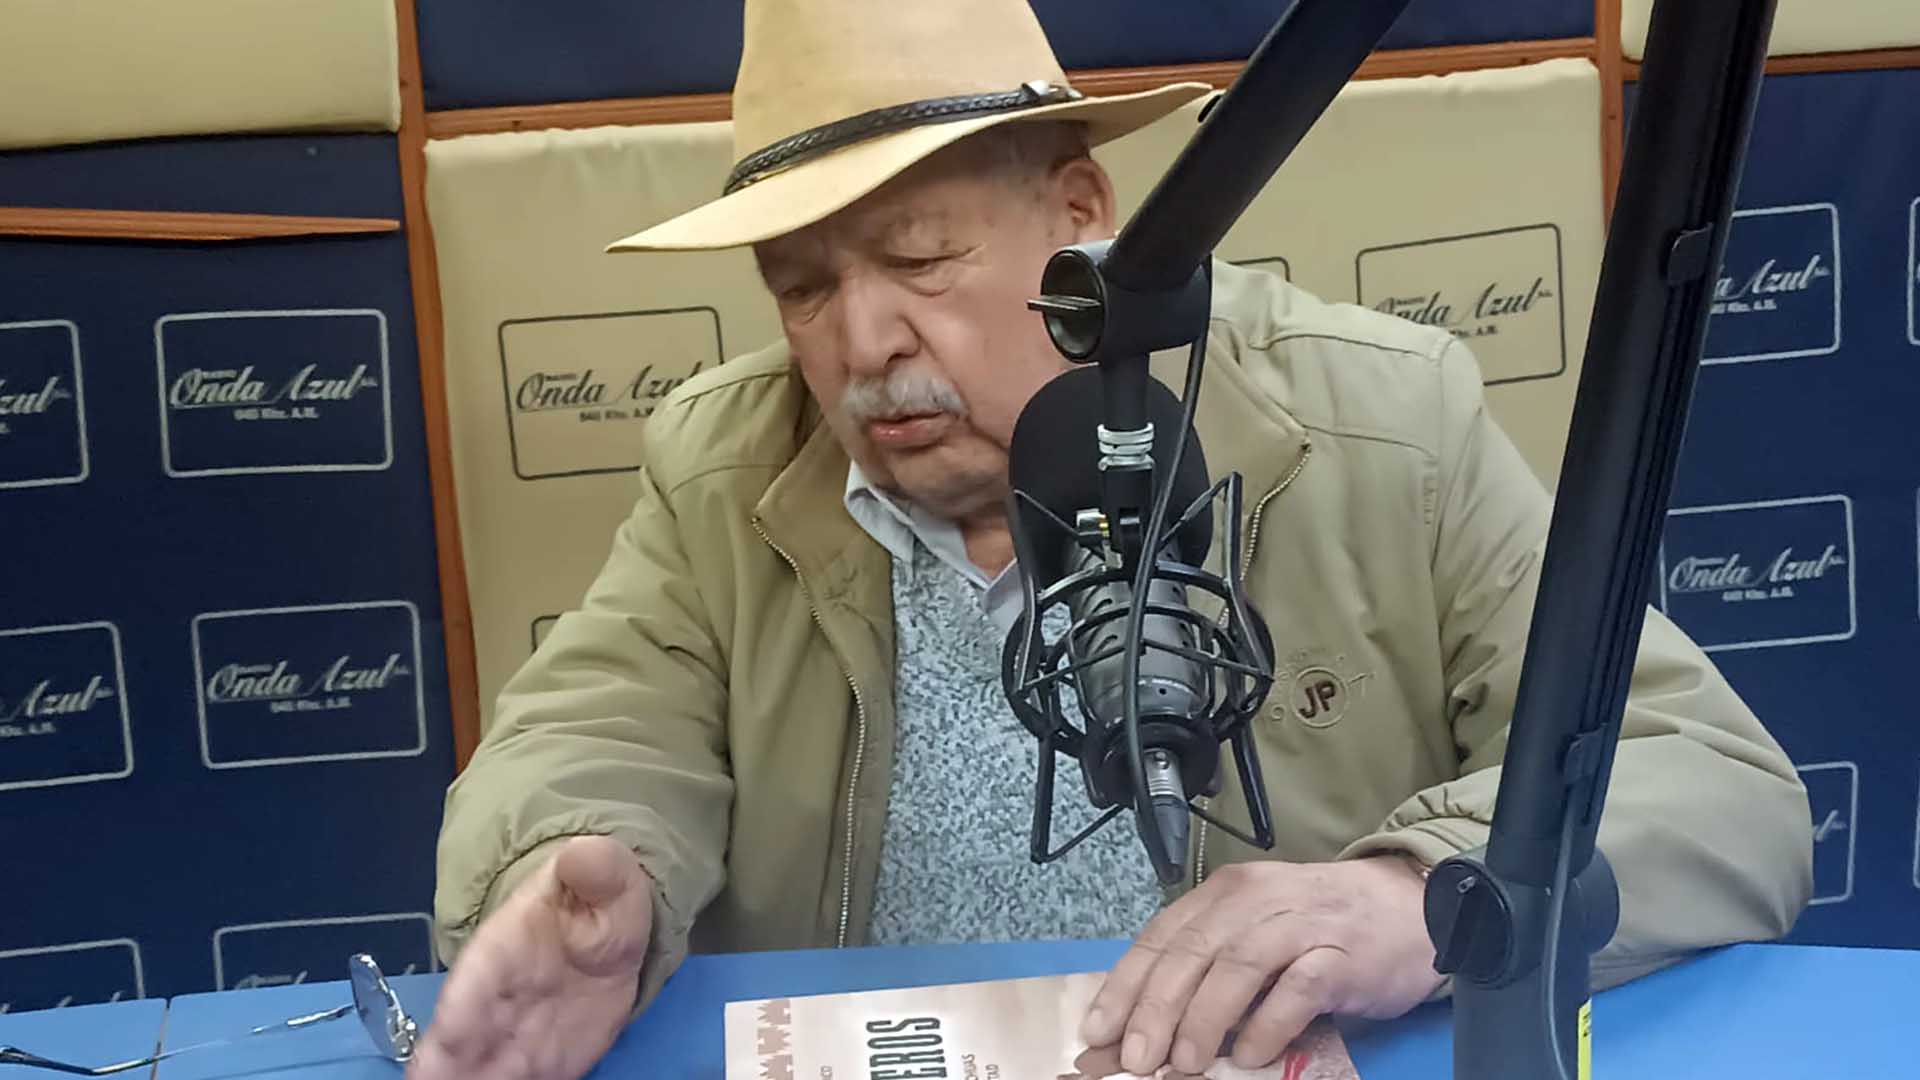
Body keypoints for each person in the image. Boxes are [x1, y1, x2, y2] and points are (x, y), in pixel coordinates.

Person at [407, 2, 1814, 1078]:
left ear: (1081, 217)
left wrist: (1414, 899)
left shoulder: (1385, 427)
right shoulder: (722, 466)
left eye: (919, 257)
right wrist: (575, 869)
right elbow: (593, 732)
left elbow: (1715, 788)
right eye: (803, 286)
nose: (863, 340)